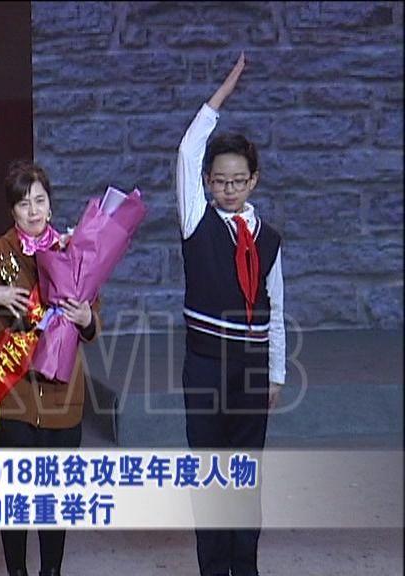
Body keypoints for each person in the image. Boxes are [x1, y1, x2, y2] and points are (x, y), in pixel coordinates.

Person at [0, 159, 99, 576]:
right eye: (24, 204)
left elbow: (94, 320)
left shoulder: (72, 251)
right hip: (12, 400)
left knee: (54, 500)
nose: (33, 211)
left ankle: (52, 572)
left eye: (40, 201)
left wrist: (85, 318)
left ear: (50, 204)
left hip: (63, 399)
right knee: (15, 500)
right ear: (13, 211)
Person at [175, 52, 285, 576]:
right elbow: (187, 149)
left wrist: (276, 372)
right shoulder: (196, 221)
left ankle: (246, 567)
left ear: (253, 181)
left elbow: (276, 309)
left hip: (252, 369)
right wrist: (219, 97)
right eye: (220, 181)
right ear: (206, 182)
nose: (229, 189)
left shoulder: (269, 238)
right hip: (205, 367)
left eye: (238, 181)